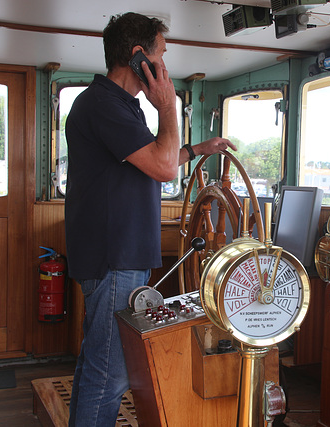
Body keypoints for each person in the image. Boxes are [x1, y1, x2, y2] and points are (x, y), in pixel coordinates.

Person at [64, 12, 236, 427]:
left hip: (119, 256)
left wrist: (197, 150)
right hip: (114, 258)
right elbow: (162, 168)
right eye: (160, 55)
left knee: (99, 366)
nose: (164, 66)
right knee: (109, 375)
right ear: (139, 57)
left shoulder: (116, 105)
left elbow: (154, 160)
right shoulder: (103, 105)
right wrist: (167, 106)